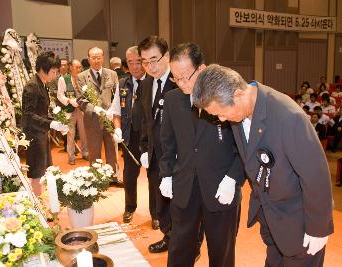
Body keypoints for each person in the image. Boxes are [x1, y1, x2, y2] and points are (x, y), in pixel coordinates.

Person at [193, 64, 334, 267]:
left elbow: (316, 175)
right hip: (273, 221)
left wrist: (318, 229)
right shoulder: (239, 113)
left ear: (239, 94)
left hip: (300, 225)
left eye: (221, 112)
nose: (221, 119)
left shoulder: (289, 117)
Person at [160, 43, 244, 267]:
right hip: (185, 185)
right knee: (179, 246)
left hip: (220, 187)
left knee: (221, 249)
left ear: (203, 68)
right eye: (175, 78)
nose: (182, 83)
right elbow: (167, 143)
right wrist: (166, 174)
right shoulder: (172, 100)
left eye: (186, 77)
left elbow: (243, 148)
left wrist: (233, 178)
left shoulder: (226, 98)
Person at [138, 35, 177, 253]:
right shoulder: (146, 83)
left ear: (167, 56)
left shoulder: (179, 82)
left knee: (179, 204)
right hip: (154, 155)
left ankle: (183, 242)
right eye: (145, 61)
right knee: (160, 203)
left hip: (175, 157)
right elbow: (146, 119)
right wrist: (144, 148)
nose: (151, 66)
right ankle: (168, 236)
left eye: (154, 60)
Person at [108, 46, 153, 224]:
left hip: (151, 138)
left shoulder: (153, 82)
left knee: (153, 175)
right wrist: (117, 129)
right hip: (130, 136)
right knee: (129, 174)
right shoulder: (123, 83)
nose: (135, 67)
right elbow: (116, 111)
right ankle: (129, 207)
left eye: (139, 62)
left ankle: (156, 213)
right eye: (131, 63)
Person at [22, 51, 69, 195]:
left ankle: (42, 203)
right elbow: (28, 116)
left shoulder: (42, 84)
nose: (55, 75)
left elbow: (41, 112)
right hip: (34, 136)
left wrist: (55, 122)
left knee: (44, 170)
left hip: (41, 134)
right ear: (43, 69)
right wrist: (51, 124)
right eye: (53, 71)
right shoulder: (32, 86)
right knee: (37, 173)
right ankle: (39, 207)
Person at [77, 46, 123, 187]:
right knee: (94, 151)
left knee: (112, 150)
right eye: (93, 57)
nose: (96, 60)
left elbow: (117, 95)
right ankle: (96, 179)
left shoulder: (112, 74)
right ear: (89, 58)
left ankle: (112, 177)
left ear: (103, 58)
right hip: (92, 121)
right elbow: (80, 100)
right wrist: (95, 108)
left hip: (109, 119)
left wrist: (114, 112)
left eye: (99, 57)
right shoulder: (82, 77)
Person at [57, 59, 89, 165]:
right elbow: (60, 95)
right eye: (77, 67)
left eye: (80, 67)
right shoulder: (63, 79)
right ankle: (71, 157)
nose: (79, 69)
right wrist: (69, 101)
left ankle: (85, 153)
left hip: (81, 109)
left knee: (84, 133)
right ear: (71, 67)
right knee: (71, 133)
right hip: (70, 110)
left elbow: (88, 93)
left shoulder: (83, 78)